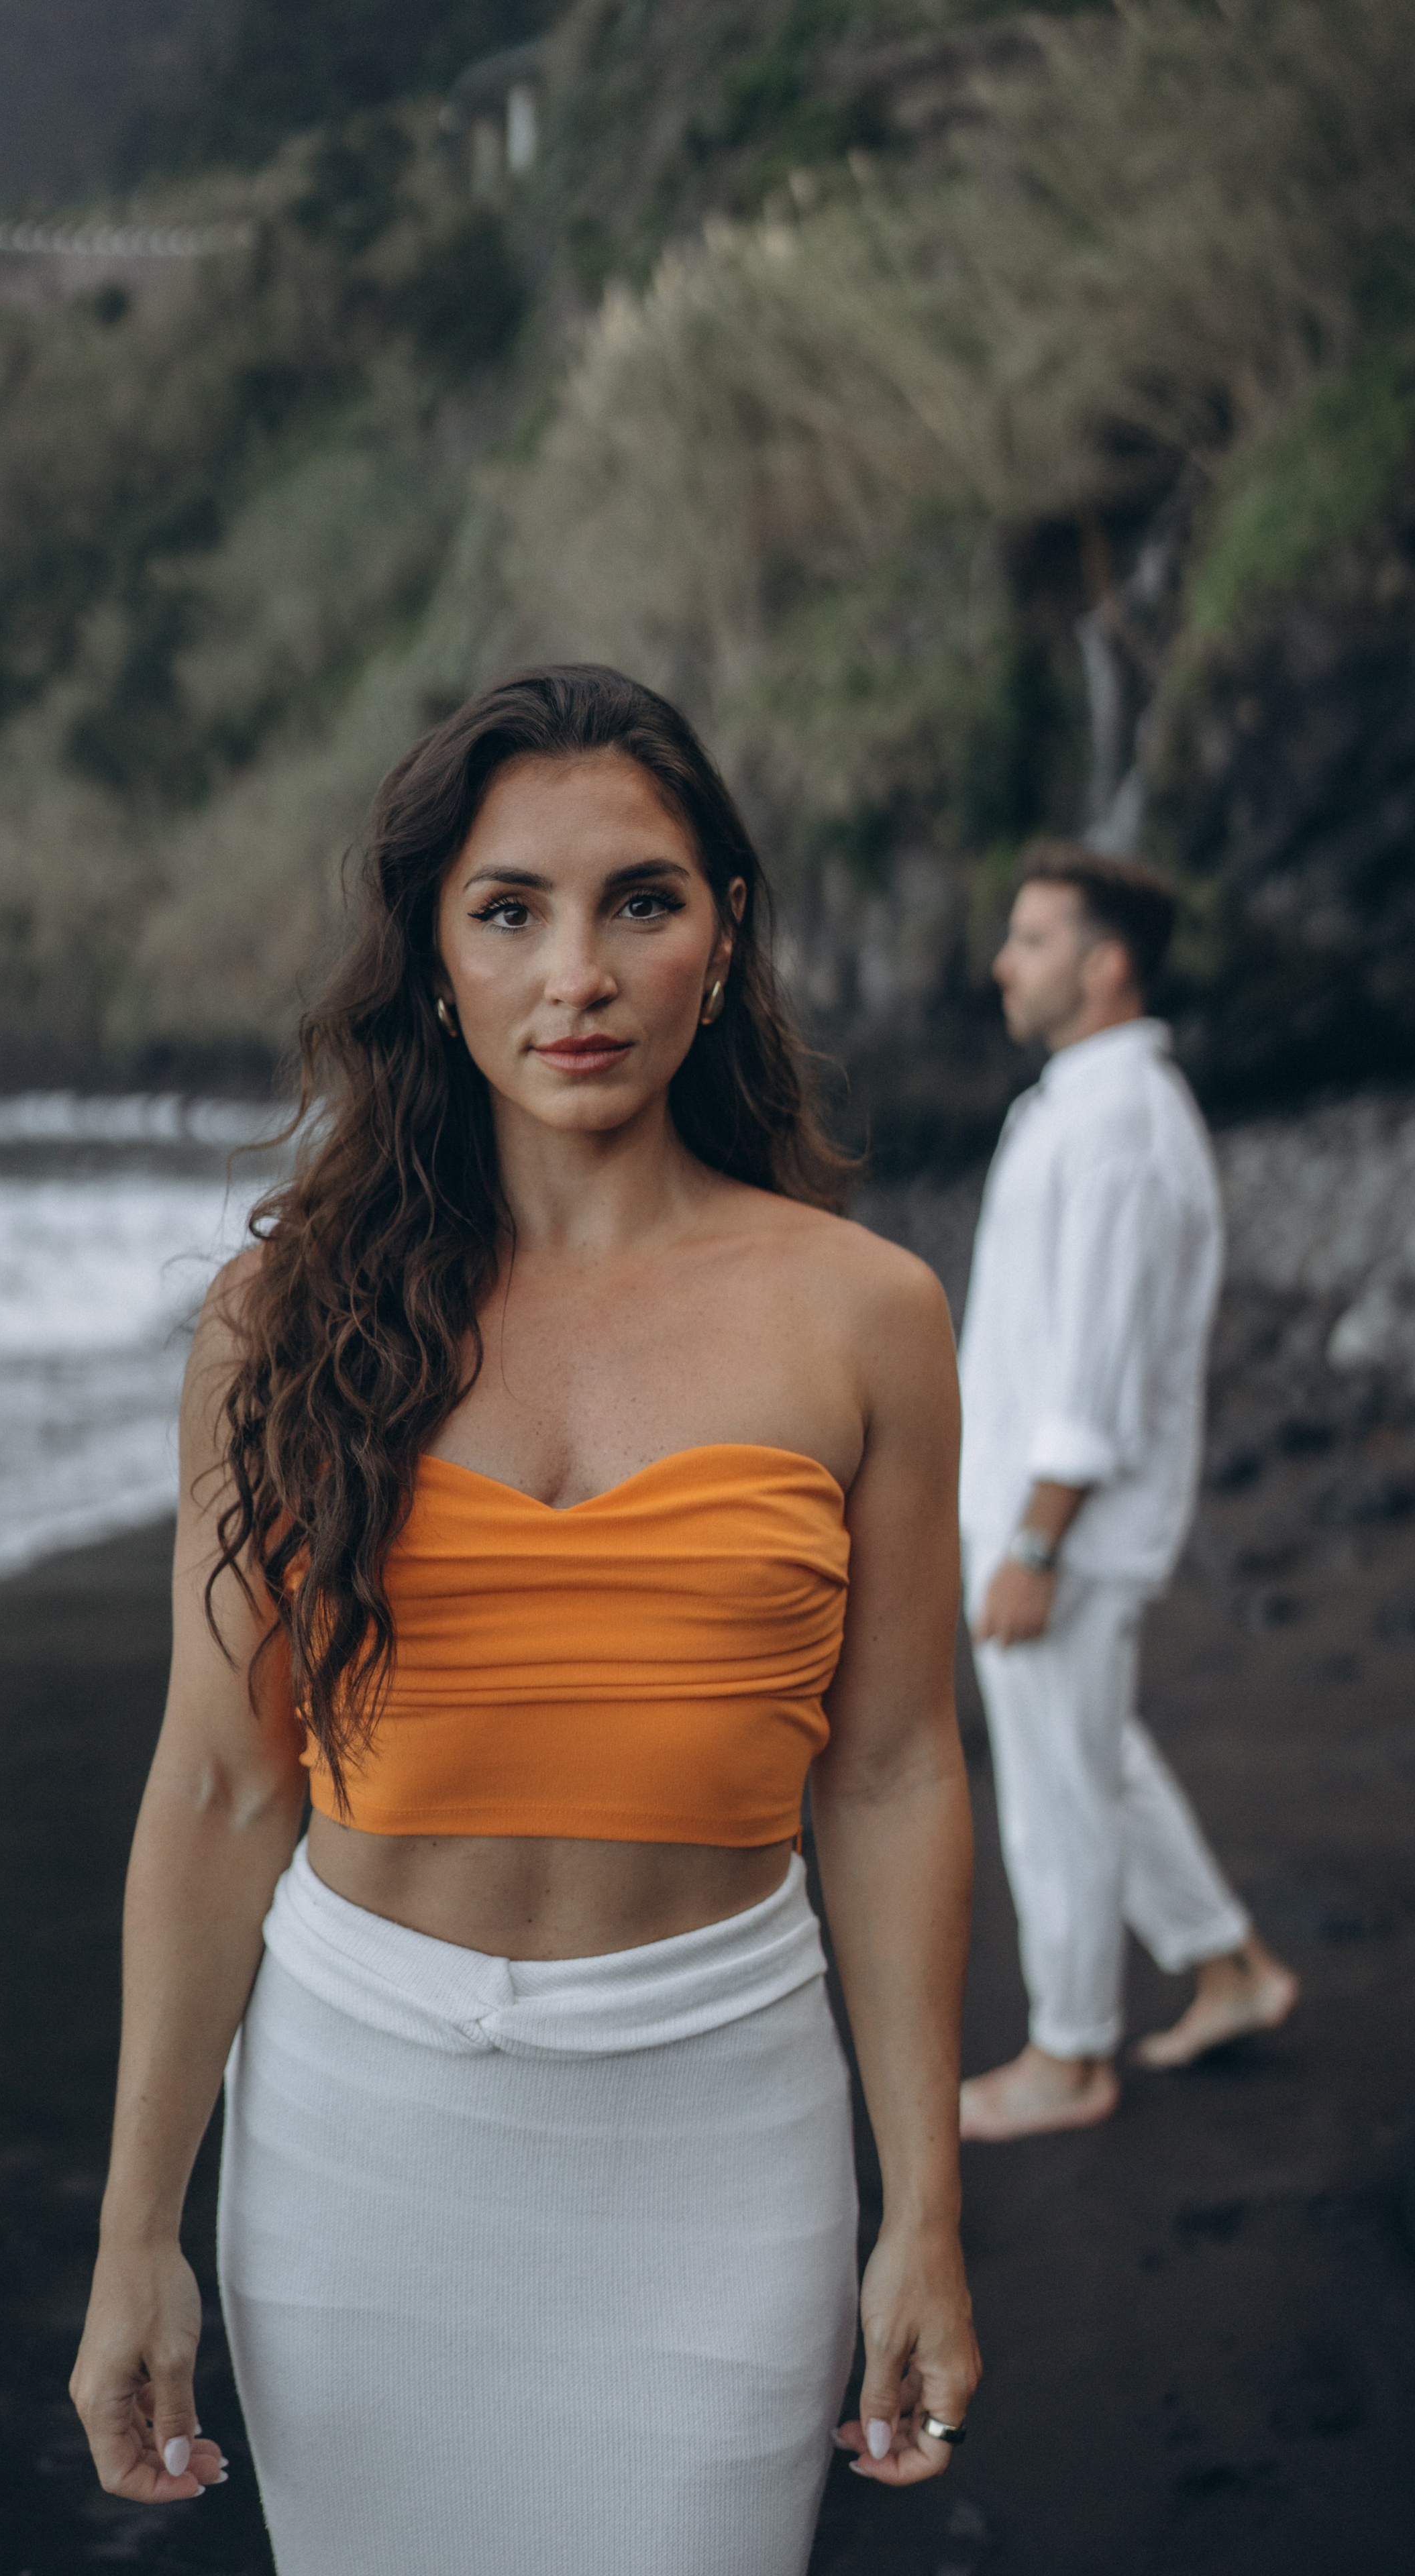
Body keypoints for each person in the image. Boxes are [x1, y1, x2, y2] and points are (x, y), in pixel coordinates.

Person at [70, 665, 980, 2573]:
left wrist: (927, 2210)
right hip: (353, 2133)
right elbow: (225, 1788)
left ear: (722, 937)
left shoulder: (865, 1312)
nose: (579, 972)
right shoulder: (282, 1323)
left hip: (720, 2123)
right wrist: (136, 2231)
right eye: (512, 909)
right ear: (432, 955)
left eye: (640, 901)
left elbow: (891, 1774)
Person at [956, 842, 1297, 2145]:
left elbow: (1091, 1370)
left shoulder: (1114, 1126)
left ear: (1104, 966)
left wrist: (1032, 1541)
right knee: (1092, 1758)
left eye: (1031, 940)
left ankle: (1068, 2054)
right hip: (1035, 1512)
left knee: (1052, 1792)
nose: (1003, 960)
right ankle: (1228, 1967)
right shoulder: (1073, 1103)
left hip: (1068, 1527)